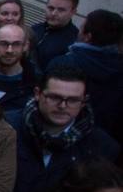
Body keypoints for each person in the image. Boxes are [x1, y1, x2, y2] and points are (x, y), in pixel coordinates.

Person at [5, 66, 120, 192]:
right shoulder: (6, 128)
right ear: (37, 94)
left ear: (83, 102)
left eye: (73, 100)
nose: (62, 106)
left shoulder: (102, 147)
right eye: (55, 97)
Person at [51, 9, 123, 141]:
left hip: (60, 134)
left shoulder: (64, 63)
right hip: (99, 144)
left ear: (87, 36)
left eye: (82, 26)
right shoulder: (118, 69)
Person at [33, 0, 80, 70]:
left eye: (61, 10)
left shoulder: (74, 43)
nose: (54, 13)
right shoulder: (35, 29)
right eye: (50, 8)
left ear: (73, 12)